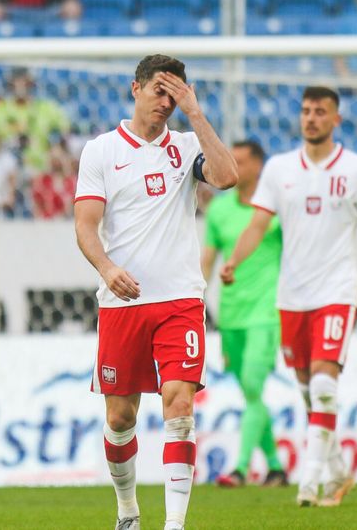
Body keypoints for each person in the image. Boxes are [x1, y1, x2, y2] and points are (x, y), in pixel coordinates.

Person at [73, 55, 237, 530]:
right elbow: (85, 225)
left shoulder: (186, 146)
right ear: (136, 89)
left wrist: (197, 113)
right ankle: (127, 511)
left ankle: (174, 525)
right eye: (159, 92)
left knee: (180, 404)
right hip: (123, 304)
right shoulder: (101, 151)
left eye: (175, 94)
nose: (167, 103)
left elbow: (227, 178)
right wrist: (106, 268)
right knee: (120, 417)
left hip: (180, 300)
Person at [220, 85, 357, 507]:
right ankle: (336, 471)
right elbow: (257, 224)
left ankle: (309, 482)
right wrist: (234, 262)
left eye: (320, 111)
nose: (311, 118)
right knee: (307, 391)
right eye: (305, 111)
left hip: (336, 290)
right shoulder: (279, 169)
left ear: (336, 119)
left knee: (322, 383)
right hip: (292, 296)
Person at [201, 141, 288, 488]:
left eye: (239, 162)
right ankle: (275, 466)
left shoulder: (275, 211)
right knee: (252, 394)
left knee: (252, 385)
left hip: (267, 314)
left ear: (257, 167)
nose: (232, 168)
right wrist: (197, 299)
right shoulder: (219, 211)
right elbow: (208, 259)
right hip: (231, 317)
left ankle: (239, 468)